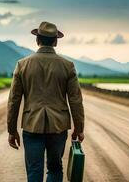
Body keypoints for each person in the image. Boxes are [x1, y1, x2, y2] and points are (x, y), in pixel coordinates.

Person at [7, 21, 85, 182]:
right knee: (55, 168)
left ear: (37, 40)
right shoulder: (68, 66)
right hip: (58, 126)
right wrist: (79, 128)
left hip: (31, 125)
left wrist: (11, 130)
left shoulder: (22, 65)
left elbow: (14, 100)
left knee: (34, 170)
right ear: (56, 41)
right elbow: (75, 100)